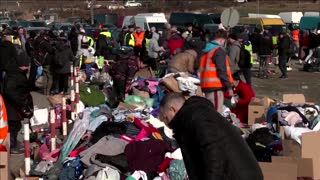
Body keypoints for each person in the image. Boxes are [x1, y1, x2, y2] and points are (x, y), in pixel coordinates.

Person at [159, 93, 263, 180]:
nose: (166, 123)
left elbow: (212, 151)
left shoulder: (196, 117)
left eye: (165, 117)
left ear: (172, 109)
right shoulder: (193, 116)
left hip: (237, 175)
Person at [0, 29, 33, 154]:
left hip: (9, 103)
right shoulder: (14, 73)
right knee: (12, 126)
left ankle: (10, 145)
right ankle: (11, 146)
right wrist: (21, 102)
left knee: (11, 125)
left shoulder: (9, 67)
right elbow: (10, 90)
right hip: (11, 105)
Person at [200, 29, 234, 113]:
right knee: (216, 113)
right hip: (215, 86)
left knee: (210, 111)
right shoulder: (218, 51)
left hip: (206, 86)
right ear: (222, 40)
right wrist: (229, 87)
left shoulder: (207, 50)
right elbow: (222, 70)